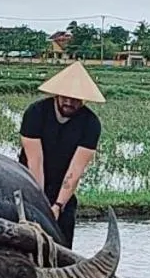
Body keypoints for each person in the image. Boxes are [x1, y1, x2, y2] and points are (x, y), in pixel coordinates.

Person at [19, 60, 104, 248]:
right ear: (56, 94)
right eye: (65, 97)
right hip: (28, 183)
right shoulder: (36, 113)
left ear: (84, 99)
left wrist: (57, 206)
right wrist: (39, 204)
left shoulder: (91, 123)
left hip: (63, 189)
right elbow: (35, 161)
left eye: (75, 99)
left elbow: (76, 169)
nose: (69, 102)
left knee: (63, 244)